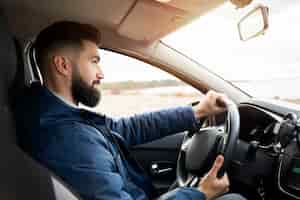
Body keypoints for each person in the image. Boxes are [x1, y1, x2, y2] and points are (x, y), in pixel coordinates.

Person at [14, 21, 246, 200]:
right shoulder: (67, 137)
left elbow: (123, 128)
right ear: (63, 65)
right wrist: (199, 194)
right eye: (94, 61)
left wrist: (196, 112)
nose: (101, 73)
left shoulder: (60, 115)